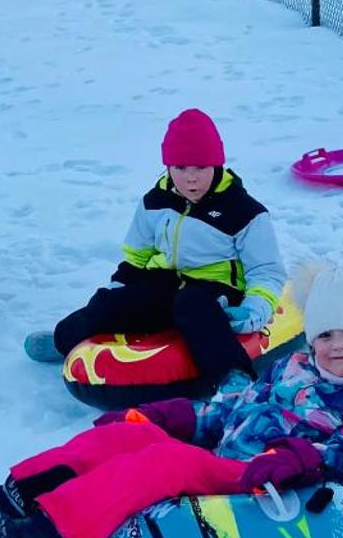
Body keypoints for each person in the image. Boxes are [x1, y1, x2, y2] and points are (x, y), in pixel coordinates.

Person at [0, 236, 343, 538]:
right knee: (125, 438)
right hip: (232, 453)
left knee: (166, 464)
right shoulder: (297, 370)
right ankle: (11, 500)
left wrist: (300, 458)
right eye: (326, 334)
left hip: (267, 477)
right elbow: (237, 405)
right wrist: (173, 417)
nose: (338, 346)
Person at [23, 107, 284, 389]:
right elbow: (137, 257)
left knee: (192, 304)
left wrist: (254, 310)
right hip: (165, 284)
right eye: (180, 168)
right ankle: (64, 338)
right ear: (168, 166)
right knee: (109, 302)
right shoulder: (155, 202)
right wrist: (117, 293)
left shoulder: (244, 211)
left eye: (201, 167)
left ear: (217, 164)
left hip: (216, 292)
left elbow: (266, 271)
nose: (191, 178)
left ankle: (231, 375)